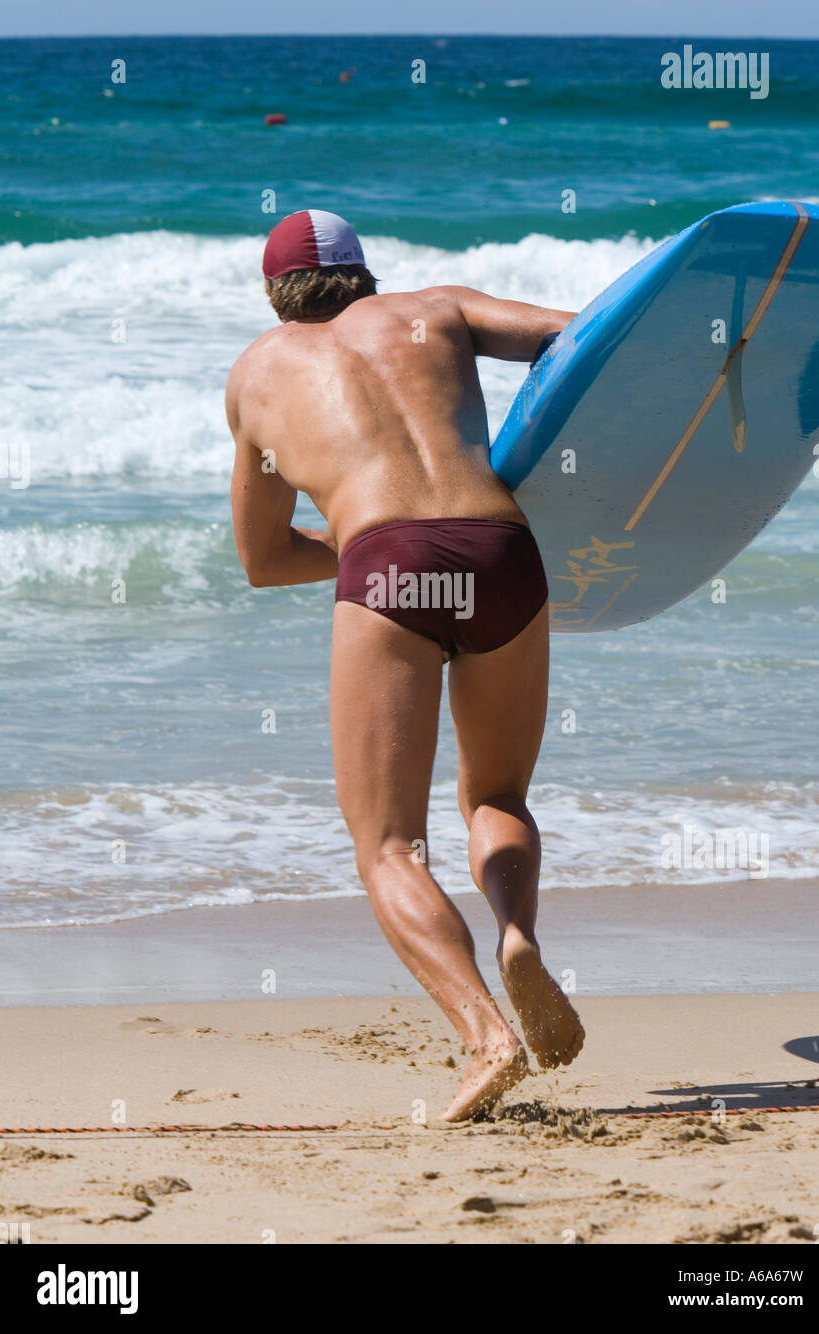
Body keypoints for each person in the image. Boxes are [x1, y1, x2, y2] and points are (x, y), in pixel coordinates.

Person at [226, 209, 585, 1121]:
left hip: (387, 569)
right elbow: (577, 336)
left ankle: (486, 1036)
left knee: (388, 844)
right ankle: (517, 935)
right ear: (364, 275)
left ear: (276, 292)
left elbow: (262, 559)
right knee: (496, 795)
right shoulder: (440, 310)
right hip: (505, 552)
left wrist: (362, 545)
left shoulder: (259, 375)